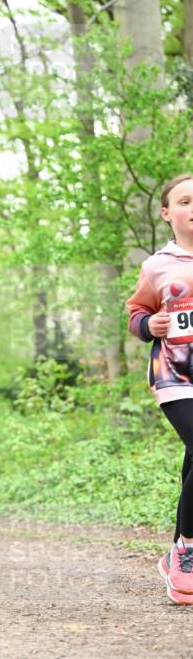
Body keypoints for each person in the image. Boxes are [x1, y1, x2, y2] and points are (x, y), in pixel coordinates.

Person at [126, 173, 193, 605]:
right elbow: (135, 313)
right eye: (185, 201)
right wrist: (150, 324)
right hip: (175, 376)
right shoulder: (157, 266)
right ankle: (188, 548)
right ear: (168, 214)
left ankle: (175, 552)